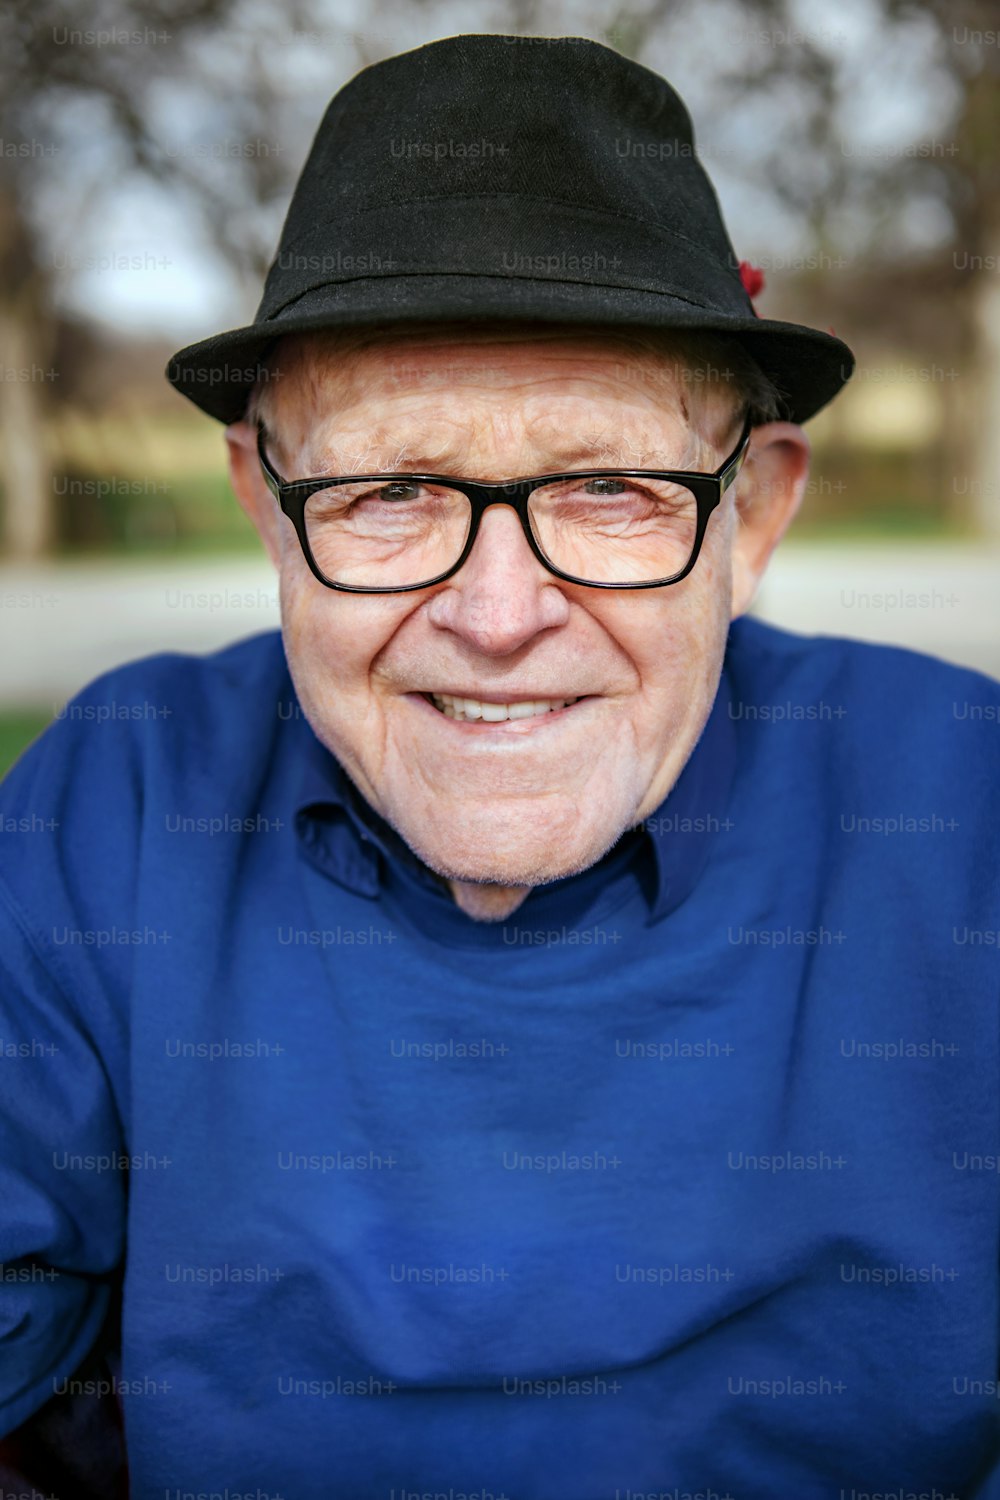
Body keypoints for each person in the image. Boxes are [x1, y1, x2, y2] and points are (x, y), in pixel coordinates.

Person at [1, 32, 997, 1500]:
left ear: (755, 519)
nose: (499, 615)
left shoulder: (967, 807)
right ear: (269, 515)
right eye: (390, 490)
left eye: (607, 487)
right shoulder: (121, 798)